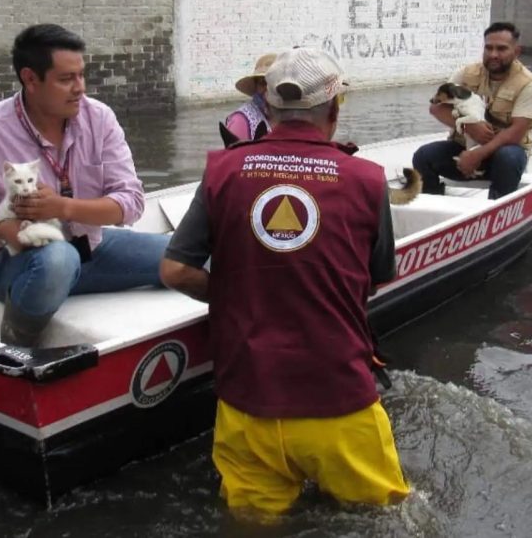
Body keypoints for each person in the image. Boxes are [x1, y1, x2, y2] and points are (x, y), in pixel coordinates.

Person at [159, 47, 409, 518]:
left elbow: (174, 270)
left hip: (247, 404)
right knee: (384, 520)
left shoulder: (223, 171)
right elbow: (374, 280)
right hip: (339, 403)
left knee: (253, 525)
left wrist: (235, 292)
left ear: (267, 109)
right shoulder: (367, 180)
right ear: (334, 109)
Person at [0, 23, 168, 347]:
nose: (79, 88)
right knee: (58, 259)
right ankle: (17, 342)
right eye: (66, 79)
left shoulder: (99, 119)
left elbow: (130, 203)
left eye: (81, 75)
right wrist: (4, 229)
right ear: (30, 79)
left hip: (91, 249)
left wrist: (63, 208)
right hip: (17, 263)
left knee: (193, 254)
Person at [411, 21, 532, 199]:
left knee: (509, 158)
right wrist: (470, 128)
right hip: (465, 147)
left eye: (501, 49)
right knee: (423, 156)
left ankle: (497, 208)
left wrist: (477, 155)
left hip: (502, 153)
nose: (493, 54)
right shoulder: (466, 74)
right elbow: (436, 108)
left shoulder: (530, 84)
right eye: (488, 48)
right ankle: (433, 204)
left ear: (516, 51)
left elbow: (515, 133)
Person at [219, 53, 275, 146]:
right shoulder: (241, 120)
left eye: (273, 82)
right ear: (255, 86)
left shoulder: (288, 116)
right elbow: (234, 157)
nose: (268, 88)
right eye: (262, 83)